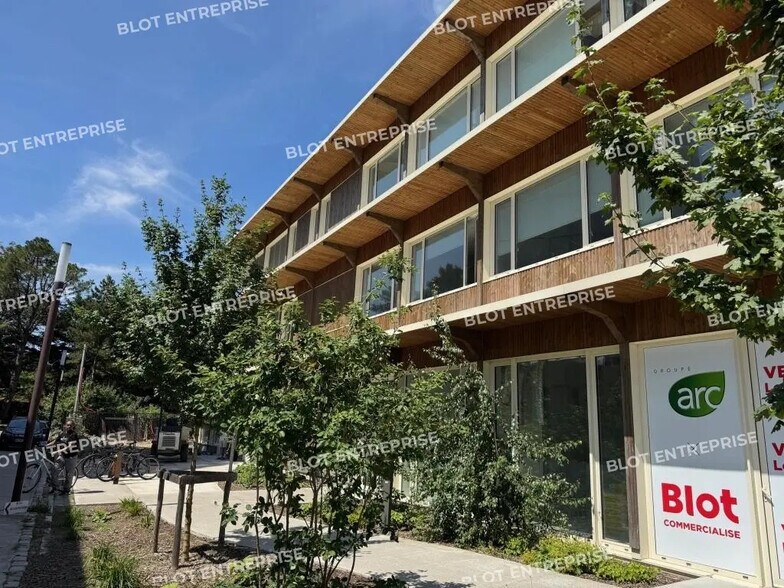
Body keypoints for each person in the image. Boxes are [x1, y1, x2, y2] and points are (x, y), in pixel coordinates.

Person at [49, 419, 81, 494]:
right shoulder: (62, 434)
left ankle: (66, 490)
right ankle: (55, 488)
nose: (69, 426)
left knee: (69, 474)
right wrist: (46, 445)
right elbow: (55, 441)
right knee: (55, 470)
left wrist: (58, 451)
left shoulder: (73, 435)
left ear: (73, 426)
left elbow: (70, 446)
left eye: (70, 425)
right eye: (67, 425)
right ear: (65, 425)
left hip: (71, 457)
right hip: (62, 456)